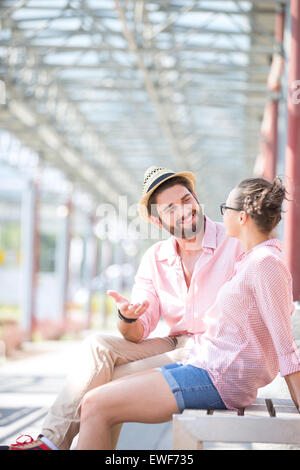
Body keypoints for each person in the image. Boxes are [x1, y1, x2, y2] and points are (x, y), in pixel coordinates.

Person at [7, 166, 243, 450]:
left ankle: (50, 443)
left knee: (103, 388)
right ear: (157, 222)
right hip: (175, 344)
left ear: (196, 198)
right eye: (170, 208)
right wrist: (128, 317)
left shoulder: (235, 244)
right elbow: (136, 333)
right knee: (97, 345)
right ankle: (49, 442)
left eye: (186, 199)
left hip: (215, 351)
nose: (184, 210)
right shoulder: (155, 259)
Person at [76, 176, 300, 450]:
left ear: (241, 218)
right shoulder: (252, 260)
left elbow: (285, 347)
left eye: (225, 209)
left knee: (95, 404)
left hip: (219, 378)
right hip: (205, 367)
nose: (219, 216)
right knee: (99, 391)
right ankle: (51, 439)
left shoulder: (265, 263)